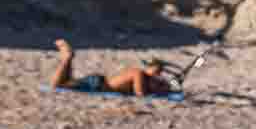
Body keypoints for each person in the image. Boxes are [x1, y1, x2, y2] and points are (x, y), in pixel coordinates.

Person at [49, 39, 177, 97]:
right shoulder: (138, 73)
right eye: (158, 71)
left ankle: (68, 59)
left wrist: (161, 87)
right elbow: (140, 93)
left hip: (99, 82)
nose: (159, 75)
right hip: (98, 85)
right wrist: (161, 90)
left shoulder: (142, 75)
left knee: (67, 81)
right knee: (58, 85)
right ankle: (67, 58)